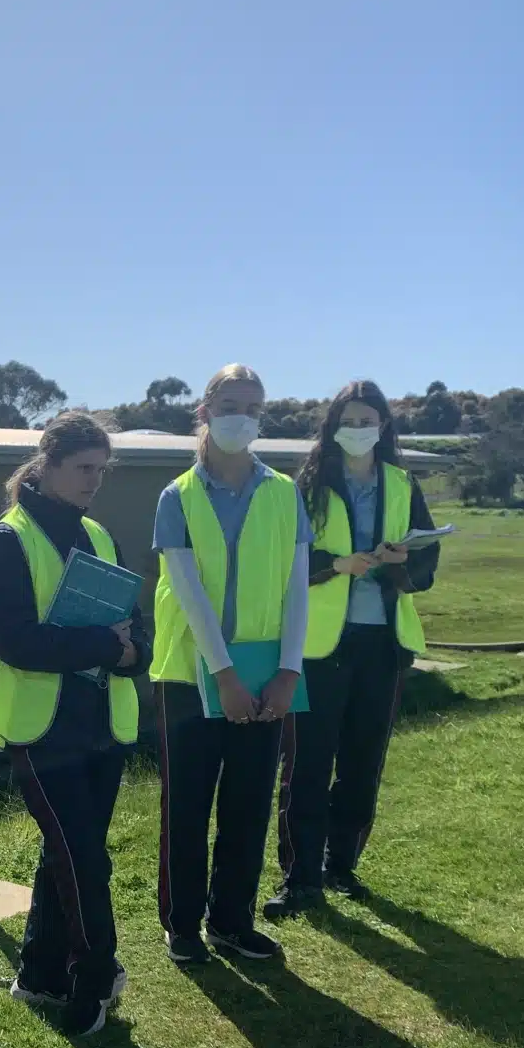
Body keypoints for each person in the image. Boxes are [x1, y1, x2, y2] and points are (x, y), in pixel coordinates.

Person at [0, 412, 148, 1036]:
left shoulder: (99, 535)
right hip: (42, 729)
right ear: (45, 464)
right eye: (82, 468)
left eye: (101, 469)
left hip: (103, 723)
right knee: (83, 858)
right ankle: (97, 975)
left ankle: (40, 973)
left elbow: (135, 626)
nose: (93, 481)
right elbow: (17, 642)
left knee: (68, 853)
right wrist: (105, 645)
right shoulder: (5, 541)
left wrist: (132, 653)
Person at [150, 364, 311, 966]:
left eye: (252, 408)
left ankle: (232, 922)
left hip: (267, 675)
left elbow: (297, 588)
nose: (240, 418)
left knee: (248, 804)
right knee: (187, 806)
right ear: (205, 412)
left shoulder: (284, 492)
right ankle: (183, 924)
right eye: (229, 406)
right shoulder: (178, 497)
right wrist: (224, 677)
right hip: (192, 677)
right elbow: (188, 591)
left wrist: (289, 670)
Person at [267, 381, 441, 915]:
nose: (360, 430)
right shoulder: (308, 485)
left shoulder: (402, 484)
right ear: (333, 426)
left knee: (363, 764)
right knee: (307, 763)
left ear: (384, 427)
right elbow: (283, 556)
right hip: (319, 647)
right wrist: (336, 564)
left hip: (383, 643)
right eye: (350, 420)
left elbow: (427, 560)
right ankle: (299, 876)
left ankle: (340, 865)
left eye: (369, 421)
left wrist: (401, 562)